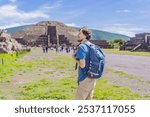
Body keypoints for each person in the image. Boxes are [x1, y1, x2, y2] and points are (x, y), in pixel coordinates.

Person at [73, 27, 96, 100]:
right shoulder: (92, 45)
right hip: (93, 77)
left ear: (85, 36)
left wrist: (74, 58)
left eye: (80, 33)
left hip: (84, 78)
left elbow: (82, 65)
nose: (78, 35)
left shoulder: (82, 46)